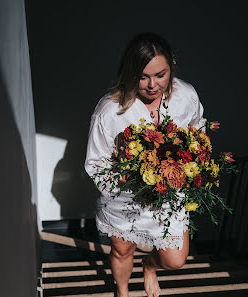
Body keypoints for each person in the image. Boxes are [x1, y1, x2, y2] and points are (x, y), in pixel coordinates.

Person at [84, 32, 206, 297]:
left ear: (171, 67)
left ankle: (148, 266)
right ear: (129, 73)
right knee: (122, 250)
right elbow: (96, 162)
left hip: (169, 196)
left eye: (160, 75)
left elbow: (198, 128)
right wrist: (130, 184)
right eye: (142, 76)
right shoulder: (110, 111)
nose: (152, 85)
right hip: (125, 197)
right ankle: (123, 292)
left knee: (175, 260)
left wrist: (192, 158)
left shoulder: (186, 96)